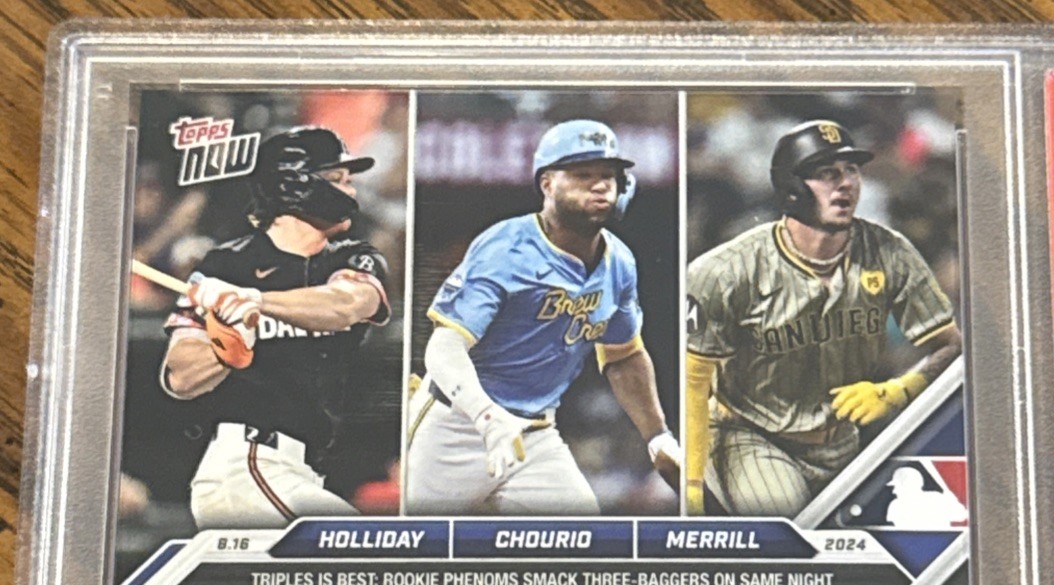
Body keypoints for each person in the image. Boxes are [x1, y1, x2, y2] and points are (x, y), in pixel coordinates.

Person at [685, 119, 962, 518]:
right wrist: (692, 485)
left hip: (845, 441)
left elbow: (950, 345)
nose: (846, 183)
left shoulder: (888, 251)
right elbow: (695, 380)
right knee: (790, 527)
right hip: (755, 437)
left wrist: (898, 390)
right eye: (828, 174)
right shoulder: (727, 269)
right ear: (792, 188)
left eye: (851, 171)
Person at [406, 119, 680, 514]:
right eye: (583, 175)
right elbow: (443, 347)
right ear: (547, 184)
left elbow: (624, 356)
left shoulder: (619, 261)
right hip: (455, 426)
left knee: (585, 539)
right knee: (417, 545)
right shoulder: (506, 247)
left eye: (608, 175)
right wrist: (486, 416)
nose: (600, 185)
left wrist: (658, 437)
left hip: (535, 433)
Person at [161, 127, 392, 528]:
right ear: (294, 184)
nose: (351, 191)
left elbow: (347, 304)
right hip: (247, 465)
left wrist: (258, 301)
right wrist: (229, 344)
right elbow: (179, 378)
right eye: (337, 179)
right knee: (363, 550)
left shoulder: (353, 257)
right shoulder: (225, 265)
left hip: (302, 470)